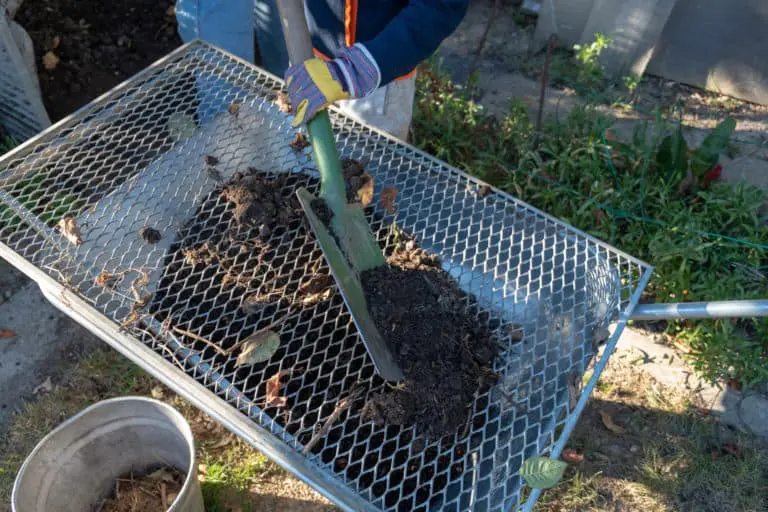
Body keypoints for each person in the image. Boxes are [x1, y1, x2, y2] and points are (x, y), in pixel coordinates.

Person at [175, 0, 469, 140]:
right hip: (311, 55)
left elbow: (441, 6)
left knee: (368, 181)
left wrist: (358, 69)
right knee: (306, 160)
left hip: (374, 77)